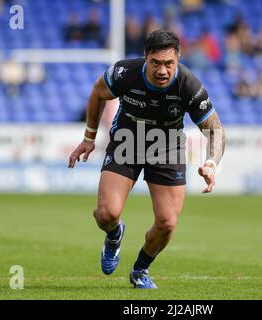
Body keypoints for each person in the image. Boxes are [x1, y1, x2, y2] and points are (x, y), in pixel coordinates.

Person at [68, 30, 225, 289]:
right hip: (128, 141)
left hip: (167, 147)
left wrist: (211, 163)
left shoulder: (189, 85)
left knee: (167, 223)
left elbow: (215, 129)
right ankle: (114, 234)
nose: (162, 70)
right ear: (145, 58)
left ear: (178, 60)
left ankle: (140, 269)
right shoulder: (124, 73)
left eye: (169, 64)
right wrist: (89, 137)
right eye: (156, 63)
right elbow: (98, 93)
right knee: (106, 214)